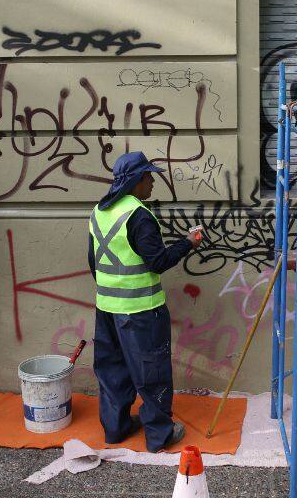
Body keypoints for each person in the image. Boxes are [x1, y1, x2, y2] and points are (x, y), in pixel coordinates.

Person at [87, 151, 202, 453]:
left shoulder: (100, 210)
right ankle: (160, 435)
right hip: (140, 311)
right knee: (152, 373)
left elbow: (93, 261)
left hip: (107, 309)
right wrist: (188, 243)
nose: (153, 182)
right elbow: (158, 262)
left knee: (112, 371)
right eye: (149, 176)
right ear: (137, 181)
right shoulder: (139, 215)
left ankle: (116, 429)